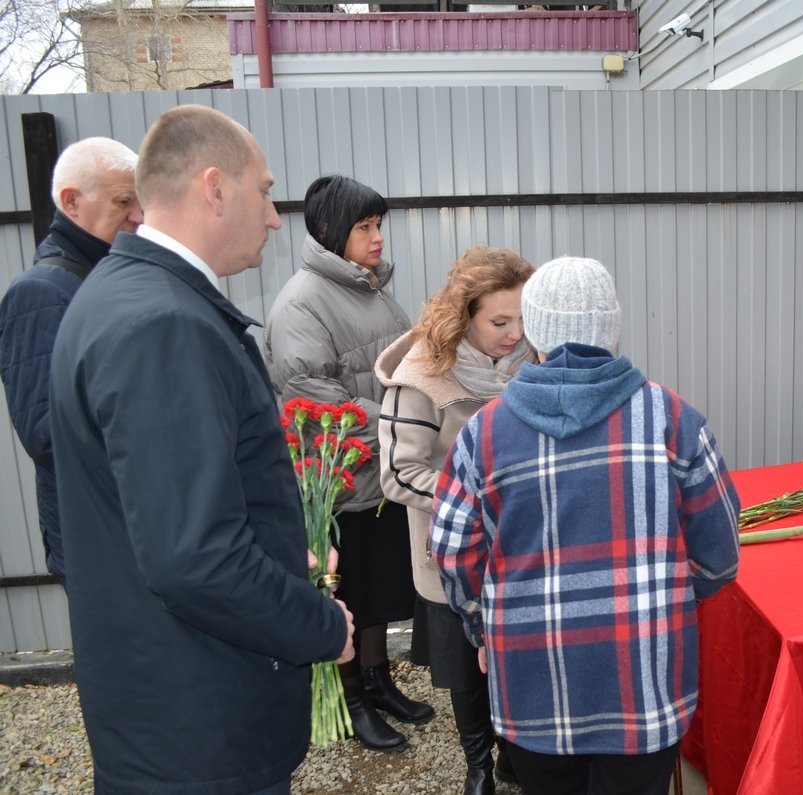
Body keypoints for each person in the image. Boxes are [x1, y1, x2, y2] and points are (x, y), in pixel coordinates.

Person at [49, 105, 354, 794]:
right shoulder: (163, 323)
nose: (276, 218)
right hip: (195, 729)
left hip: (170, 710)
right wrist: (320, 623)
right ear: (214, 187)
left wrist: (281, 549)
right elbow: (194, 556)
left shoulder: (126, 296)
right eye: (265, 191)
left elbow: (163, 507)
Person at [429, 256, 741, 795]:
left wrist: (481, 626)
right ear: (612, 325)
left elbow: (454, 553)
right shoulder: (674, 421)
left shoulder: (482, 434)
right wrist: (662, 596)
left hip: (532, 693)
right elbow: (721, 554)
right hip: (644, 690)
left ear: (534, 329)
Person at [265, 174, 433, 753]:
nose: (378, 237)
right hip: (341, 478)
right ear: (332, 231)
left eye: (379, 225)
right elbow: (310, 394)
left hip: (379, 473)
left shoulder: (372, 287)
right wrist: (394, 421)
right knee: (349, 591)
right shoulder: (301, 304)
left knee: (381, 590)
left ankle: (381, 681)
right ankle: (353, 697)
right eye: (365, 227)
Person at [376, 246, 535, 794]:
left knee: (517, 661)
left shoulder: (533, 364)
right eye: (499, 322)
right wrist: (474, 498)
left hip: (519, 551)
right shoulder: (421, 377)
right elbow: (397, 473)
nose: (515, 334)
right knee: (467, 674)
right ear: (463, 316)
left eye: (523, 318)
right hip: (450, 551)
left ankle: (516, 755)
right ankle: (478, 766)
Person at [0, 136, 142, 582]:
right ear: (71, 201)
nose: (138, 215)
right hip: (96, 531)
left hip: (125, 519)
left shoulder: (107, 278)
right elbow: (45, 434)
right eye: (124, 200)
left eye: (139, 202)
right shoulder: (41, 293)